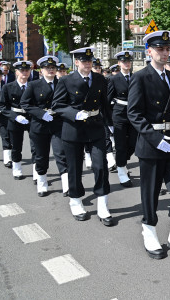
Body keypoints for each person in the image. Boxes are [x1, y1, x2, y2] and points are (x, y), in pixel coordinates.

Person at [127, 31, 170, 261]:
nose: (165, 53)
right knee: (151, 192)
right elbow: (133, 113)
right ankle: (149, 231)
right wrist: (155, 139)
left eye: (167, 49)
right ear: (149, 52)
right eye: (160, 49)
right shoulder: (141, 77)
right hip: (151, 143)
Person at [52, 46, 114, 226]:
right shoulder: (66, 81)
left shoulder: (101, 79)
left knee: (100, 165)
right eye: (84, 61)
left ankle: (102, 202)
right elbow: (57, 105)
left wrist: (110, 125)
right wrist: (73, 114)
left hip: (95, 126)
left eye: (90, 61)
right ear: (76, 62)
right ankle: (76, 200)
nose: (88, 64)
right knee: (74, 167)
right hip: (74, 128)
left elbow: (104, 104)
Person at [21, 55, 67, 197]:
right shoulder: (34, 85)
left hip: (58, 124)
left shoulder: (62, 83)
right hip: (40, 125)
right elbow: (25, 104)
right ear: (41, 70)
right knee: (41, 155)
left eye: (53, 68)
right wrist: (41, 113)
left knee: (61, 154)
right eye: (48, 68)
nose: (51, 70)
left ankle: (67, 185)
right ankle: (42, 181)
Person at [107, 50, 136, 188]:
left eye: (128, 61)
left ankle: (123, 162)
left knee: (133, 143)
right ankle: (121, 171)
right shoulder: (113, 79)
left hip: (134, 115)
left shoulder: (136, 77)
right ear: (119, 63)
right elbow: (107, 100)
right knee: (120, 145)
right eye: (124, 61)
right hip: (119, 115)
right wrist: (108, 121)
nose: (127, 63)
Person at [0, 60, 32, 180]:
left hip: (31, 118)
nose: (24, 72)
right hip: (15, 118)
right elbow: (3, 106)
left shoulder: (33, 85)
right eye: (22, 70)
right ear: (16, 72)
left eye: (27, 70)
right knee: (16, 146)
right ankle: (17, 168)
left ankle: (37, 172)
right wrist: (15, 116)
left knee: (35, 146)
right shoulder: (8, 87)